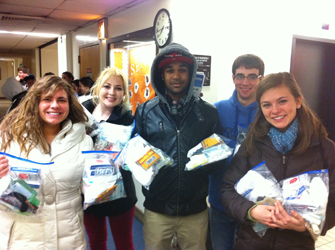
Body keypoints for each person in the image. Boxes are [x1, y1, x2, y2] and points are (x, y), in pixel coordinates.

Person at [221, 72, 335, 250]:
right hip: (250, 244)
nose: (275, 110)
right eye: (267, 105)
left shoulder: (324, 149)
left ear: (298, 101)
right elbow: (227, 189)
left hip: (297, 244)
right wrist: (251, 211)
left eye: (282, 101)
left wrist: (307, 224)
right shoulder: (253, 143)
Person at [134, 43, 223, 250]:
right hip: (157, 210)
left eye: (182, 70)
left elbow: (217, 157)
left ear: (190, 74)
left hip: (195, 210)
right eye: (169, 70)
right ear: (161, 75)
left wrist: (204, 162)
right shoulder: (146, 111)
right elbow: (136, 154)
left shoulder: (208, 113)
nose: (176, 76)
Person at [0, 75, 93, 249]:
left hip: (68, 236)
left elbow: (89, 188)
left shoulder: (83, 141)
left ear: (69, 104)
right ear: (35, 102)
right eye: (47, 99)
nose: (54, 105)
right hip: (23, 237)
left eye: (61, 100)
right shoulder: (9, 137)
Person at [208, 54, 265, 250]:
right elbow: (206, 151)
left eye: (252, 76)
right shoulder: (216, 110)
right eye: (240, 76)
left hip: (253, 206)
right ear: (233, 78)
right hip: (219, 201)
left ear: (261, 79)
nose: (245, 82)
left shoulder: (268, 114)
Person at [82, 67, 137, 250]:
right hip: (89, 191)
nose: (112, 92)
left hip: (119, 192)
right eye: (107, 86)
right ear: (98, 87)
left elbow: (134, 157)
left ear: (124, 93)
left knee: (124, 244)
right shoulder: (81, 114)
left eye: (118, 88)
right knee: (96, 242)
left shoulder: (128, 120)